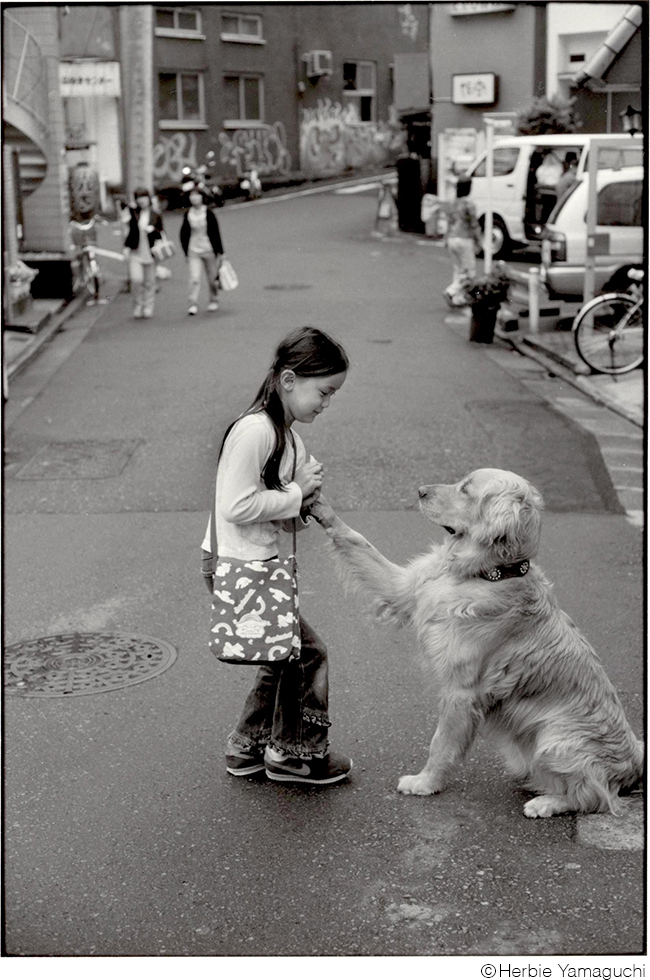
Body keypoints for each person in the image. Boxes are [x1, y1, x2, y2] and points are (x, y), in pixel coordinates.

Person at [201, 326, 352, 785]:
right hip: (240, 564)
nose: (326, 403)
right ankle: (295, 754)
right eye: (323, 391)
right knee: (308, 655)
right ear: (289, 380)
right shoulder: (255, 431)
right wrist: (294, 491)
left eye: (332, 394)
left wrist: (303, 499)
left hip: (259, 562)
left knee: (281, 655)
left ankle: (247, 747)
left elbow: (279, 516)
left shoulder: (286, 435)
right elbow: (236, 505)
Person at [180, 187, 224, 316]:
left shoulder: (208, 213)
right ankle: (192, 303)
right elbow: (183, 234)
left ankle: (214, 299)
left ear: (202, 197)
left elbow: (215, 233)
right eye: (192, 195)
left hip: (209, 249)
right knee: (194, 278)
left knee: (212, 278)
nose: (194, 198)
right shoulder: (188, 214)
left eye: (197, 195)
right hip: (193, 249)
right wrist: (185, 252)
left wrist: (221, 252)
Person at [122, 188, 164, 319]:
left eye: (144, 198)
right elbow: (129, 230)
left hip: (150, 252)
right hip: (136, 251)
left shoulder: (155, 214)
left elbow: (161, 233)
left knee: (150, 282)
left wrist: (152, 230)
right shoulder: (133, 213)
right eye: (139, 198)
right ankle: (137, 305)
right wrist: (126, 247)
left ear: (149, 199)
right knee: (136, 279)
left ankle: (148, 306)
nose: (142, 201)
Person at [442, 176, 482, 306]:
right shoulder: (468, 204)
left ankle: (459, 299)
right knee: (469, 272)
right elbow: (473, 224)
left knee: (458, 270)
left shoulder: (453, 203)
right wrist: (479, 241)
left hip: (452, 238)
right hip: (464, 239)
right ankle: (452, 291)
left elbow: (449, 222)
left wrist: (446, 238)